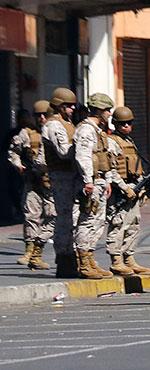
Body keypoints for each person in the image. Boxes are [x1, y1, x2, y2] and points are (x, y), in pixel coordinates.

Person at [7, 100, 54, 269]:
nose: (41, 118)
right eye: (37, 116)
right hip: (32, 179)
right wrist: (18, 165)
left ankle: (39, 249)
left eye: (44, 115)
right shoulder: (26, 133)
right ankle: (30, 250)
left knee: (53, 215)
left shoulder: (56, 131)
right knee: (31, 215)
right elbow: (13, 151)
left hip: (53, 181)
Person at [39, 88, 80, 278]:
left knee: (73, 217)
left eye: (72, 105)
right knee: (64, 219)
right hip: (61, 176)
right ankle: (64, 259)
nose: (72, 108)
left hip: (70, 175)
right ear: (59, 106)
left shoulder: (68, 123)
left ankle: (71, 257)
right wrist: (83, 147)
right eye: (68, 105)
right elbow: (64, 152)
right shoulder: (54, 125)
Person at [73, 93, 115, 279]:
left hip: (99, 181)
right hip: (90, 181)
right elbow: (82, 156)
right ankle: (83, 262)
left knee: (97, 222)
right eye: (106, 110)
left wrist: (106, 181)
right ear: (98, 110)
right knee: (87, 221)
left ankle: (90, 259)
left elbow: (103, 157)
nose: (109, 114)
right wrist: (87, 180)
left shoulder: (97, 130)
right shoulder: (86, 130)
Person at [106, 106, 150, 276]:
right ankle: (116, 260)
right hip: (120, 192)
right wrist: (125, 188)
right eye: (122, 123)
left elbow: (136, 167)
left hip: (133, 189)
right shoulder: (112, 142)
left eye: (129, 123)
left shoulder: (129, 141)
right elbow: (111, 170)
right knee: (118, 225)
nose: (126, 126)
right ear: (115, 124)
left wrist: (141, 188)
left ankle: (129, 257)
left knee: (134, 225)